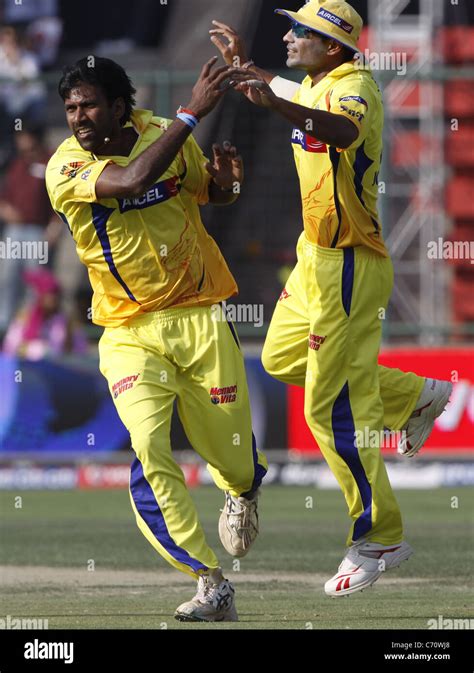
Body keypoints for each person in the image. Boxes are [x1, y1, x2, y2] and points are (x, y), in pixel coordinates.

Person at [210, 0, 452, 597]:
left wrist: (279, 102)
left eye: (303, 31)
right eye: (292, 27)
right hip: (316, 256)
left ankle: (380, 537)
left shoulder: (354, 88)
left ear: (334, 46)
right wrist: (247, 69)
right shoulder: (319, 81)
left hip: (350, 263)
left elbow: (341, 129)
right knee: (280, 359)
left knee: (331, 409)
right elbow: (278, 85)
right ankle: (419, 395)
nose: (289, 36)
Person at [45, 56, 266, 622]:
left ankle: (241, 491)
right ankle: (208, 580)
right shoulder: (66, 167)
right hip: (126, 331)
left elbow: (206, 194)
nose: (79, 118)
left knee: (233, 458)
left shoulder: (163, 133)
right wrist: (193, 113)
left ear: (120, 107)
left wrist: (227, 183)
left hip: (198, 316)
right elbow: (132, 180)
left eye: (89, 105)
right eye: (71, 108)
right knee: (148, 447)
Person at [0, 125, 59, 335]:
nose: (20, 140)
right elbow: (4, 199)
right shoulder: (16, 164)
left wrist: (54, 229)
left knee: (37, 285)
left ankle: (32, 331)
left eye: (23, 136)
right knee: (8, 281)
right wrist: (6, 211)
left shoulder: (50, 162)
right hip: (14, 232)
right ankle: (5, 330)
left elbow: (59, 203)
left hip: (37, 232)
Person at [2, 268, 88, 360]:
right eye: (49, 295)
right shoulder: (25, 318)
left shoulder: (67, 322)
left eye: (55, 295)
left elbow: (80, 351)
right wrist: (33, 350)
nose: (52, 299)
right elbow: (9, 348)